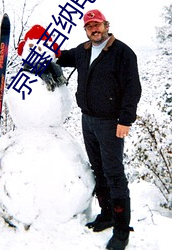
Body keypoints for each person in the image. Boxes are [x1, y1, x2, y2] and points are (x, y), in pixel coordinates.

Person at [57, 9, 141, 250]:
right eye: (89, 26)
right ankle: (107, 214)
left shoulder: (122, 52)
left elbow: (132, 88)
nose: (94, 29)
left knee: (114, 173)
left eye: (97, 24)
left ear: (106, 25)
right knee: (99, 169)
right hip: (88, 120)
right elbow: (61, 57)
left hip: (111, 123)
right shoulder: (83, 51)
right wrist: (42, 47)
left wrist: (125, 120)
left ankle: (122, 231)